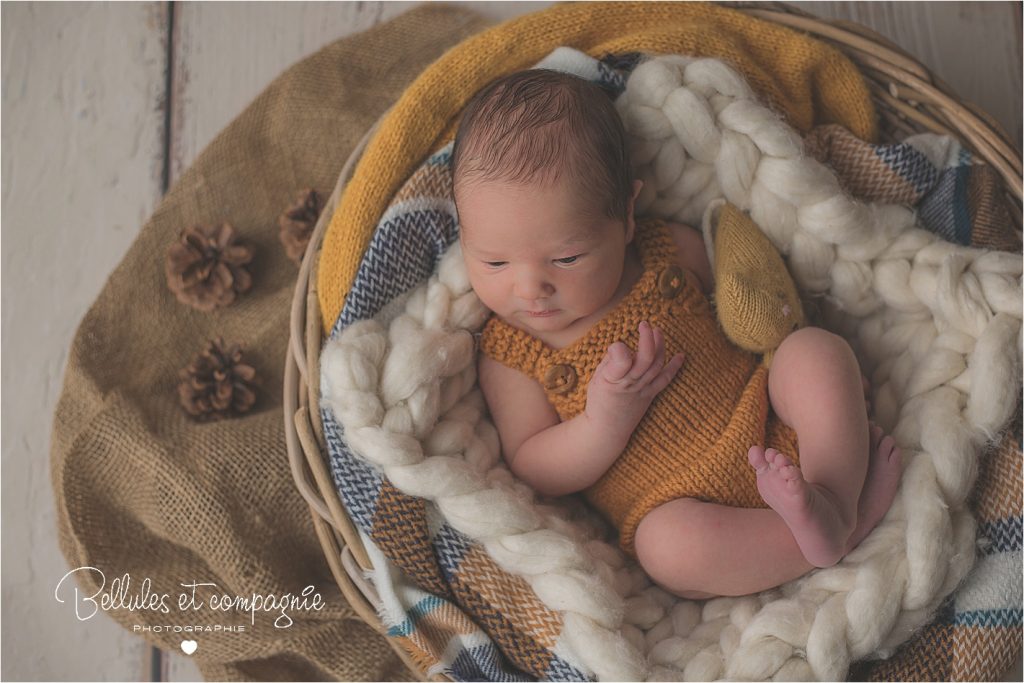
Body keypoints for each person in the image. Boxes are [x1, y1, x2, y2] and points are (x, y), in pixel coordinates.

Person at [450, 68, 902, 599]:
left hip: (767, 418)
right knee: (664, 550)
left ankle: (838, 498)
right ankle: (818, 537)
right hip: (679, 505)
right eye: (494, 261)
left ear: (627, 217)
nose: (530, 288)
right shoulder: (512, 353)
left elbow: (749, 309)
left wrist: (826, 393)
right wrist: (602, 423)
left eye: (566, 257)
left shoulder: (670, 252)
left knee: (814, 352)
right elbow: (534, 465)